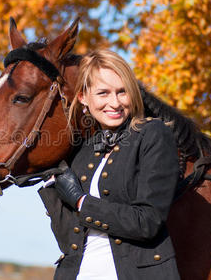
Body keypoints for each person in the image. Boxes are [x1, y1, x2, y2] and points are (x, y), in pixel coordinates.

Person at [38, 49, 180, 280]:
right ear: (84, 97)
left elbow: (148, 222)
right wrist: (52, 189)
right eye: (103, 93)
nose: (115, 103)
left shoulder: (153, 135)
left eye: (122, 92)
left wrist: (81, 201)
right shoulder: (84, 150)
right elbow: (69, 240)